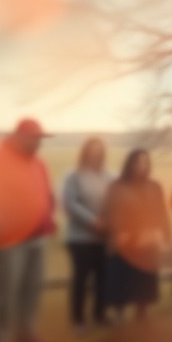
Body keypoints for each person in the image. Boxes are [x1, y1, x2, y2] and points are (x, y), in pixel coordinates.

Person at [0, 118, 56, 342]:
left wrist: (49, 215)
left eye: (41, 139)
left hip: (37, 236)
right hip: (7, 239)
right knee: (3, 293)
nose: (38, 144)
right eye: (35, 138)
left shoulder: (39, 164)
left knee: (31, 289)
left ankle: (27, 333)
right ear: (19, 136)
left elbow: (46, 193)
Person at [101, 149, 170, 321]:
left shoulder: (154, 187)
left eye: (146, 162)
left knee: (144, 278)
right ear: (130, 164)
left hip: (147, 241)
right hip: (124, 240)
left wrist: (163, 236)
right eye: (139, 162)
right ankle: (119, 312)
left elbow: (161, 213)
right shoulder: (116, 187)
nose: (143, 166)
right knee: (121, 277)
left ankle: (142, 312)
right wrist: (117, 233)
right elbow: (109, 212)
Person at [62, 137, 112, 332]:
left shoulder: (109, 176)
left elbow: (116, 200)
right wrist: (93, 221)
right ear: (85, 152)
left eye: (99, 150)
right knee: (81, 279)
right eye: (92, 149)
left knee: (103, 278)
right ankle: (78, 320)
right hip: (80, 238)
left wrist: (110, 221)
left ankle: (100, 315)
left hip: (104, 237)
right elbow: (70, 204)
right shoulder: (73, 176)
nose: (95, 153)